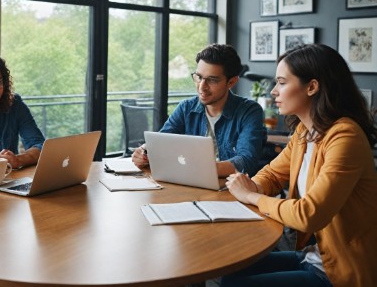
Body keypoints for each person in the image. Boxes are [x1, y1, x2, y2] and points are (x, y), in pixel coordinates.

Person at [221, 44, 377, 287]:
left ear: (312, 87)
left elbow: (309, 215)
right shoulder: (305, 133)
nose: (273, 91)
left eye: (282, 82)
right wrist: (253, 185)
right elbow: (273, 174)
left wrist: (251, 195)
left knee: (236, 285)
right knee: (231, 270)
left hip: (341, 272)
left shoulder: (346, 137)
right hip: (315, 256)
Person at [131, 43, 267, 176]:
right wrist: (144, 151)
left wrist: (199, 168)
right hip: (190, 183)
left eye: (212, 80)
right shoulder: (186, 108)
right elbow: (161, 142)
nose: (202, 86)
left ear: (231, 82)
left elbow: (246, 161)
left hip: (229, 189)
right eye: (199, 77)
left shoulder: (249, 111)